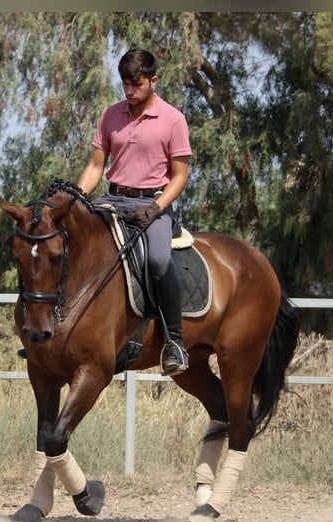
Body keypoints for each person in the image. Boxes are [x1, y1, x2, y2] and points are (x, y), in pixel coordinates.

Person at [76, 48, 192, 376]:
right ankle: (55, 334)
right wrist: (76, 200)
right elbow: (96, 166)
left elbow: (180, 175)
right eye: (125, 84)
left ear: (154, 80)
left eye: (137, 84)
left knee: (157, 259)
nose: (130, 91)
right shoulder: (111, 114)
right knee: (73, 239)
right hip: (113, 199)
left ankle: (175, 343)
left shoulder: (173, 119)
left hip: (152, 203)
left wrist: (156, 208)